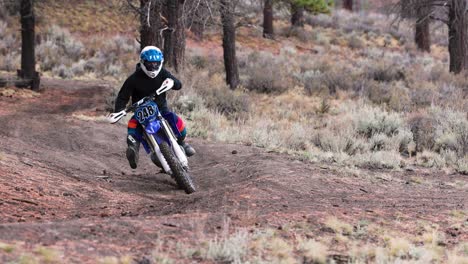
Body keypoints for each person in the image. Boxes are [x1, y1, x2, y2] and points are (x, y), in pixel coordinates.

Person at [114, 45, 195, 169]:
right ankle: (133, 150)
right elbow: (122, 96)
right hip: (141, 113)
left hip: (161, 110)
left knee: (176, 122)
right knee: (133, 126)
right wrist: (119, 110)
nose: (153, 67)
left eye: (156, 64)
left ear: (160, 63)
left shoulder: (162, 73)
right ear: (142, 62)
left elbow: (178, 84)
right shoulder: (133, 79)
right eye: (149, 64)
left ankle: (181, 142)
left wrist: (172, 83)